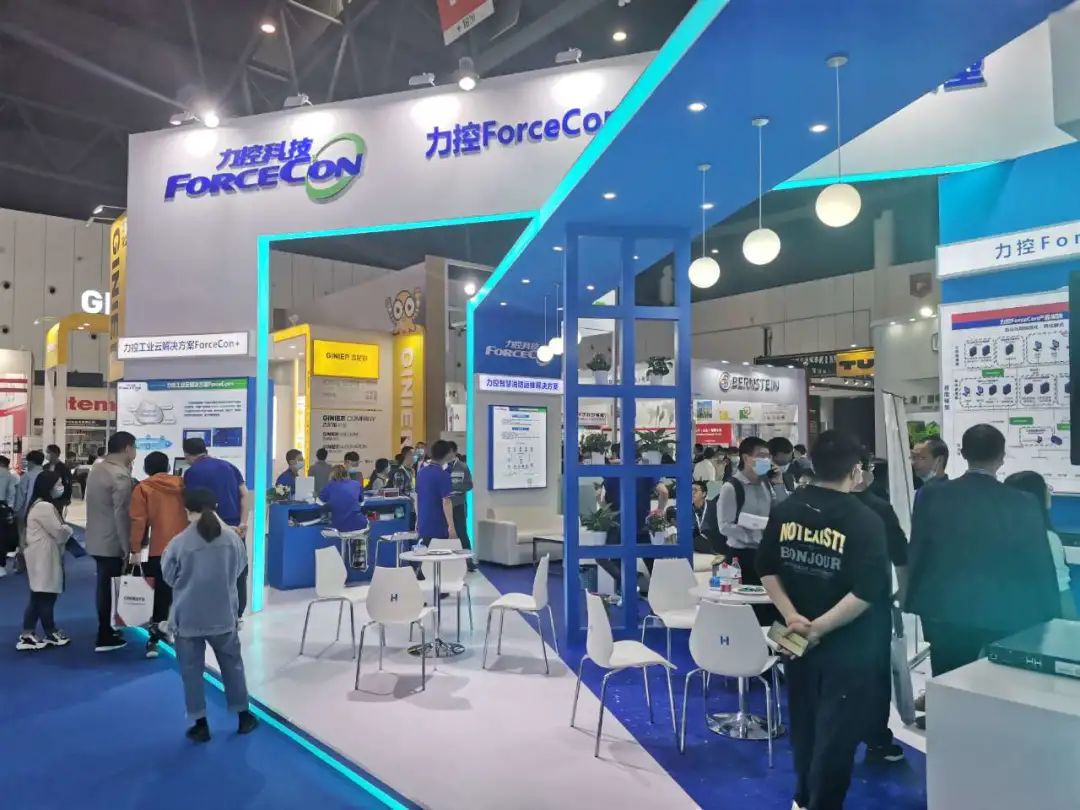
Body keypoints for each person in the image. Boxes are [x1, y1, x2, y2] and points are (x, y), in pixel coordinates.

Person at [758, 430, 891, 810]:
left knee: (804, 725)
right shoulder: (866, 519)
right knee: (836, 736)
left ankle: (802, 798)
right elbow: (868, 590)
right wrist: (818, 628)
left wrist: (792, 617)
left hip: (794, 638)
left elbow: (766, 567)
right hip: (847, 646)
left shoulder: (786, 509)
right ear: (855, 470)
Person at [905, 425, 1059, 682]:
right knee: (1000, 684)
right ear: (1001, 457)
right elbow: (1038, 561)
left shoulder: (932, 495)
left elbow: (919, 549)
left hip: (944, 610)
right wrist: (1050, 612)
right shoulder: (1023, 502)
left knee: (948, 682)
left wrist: (914, 600)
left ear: (963, 453)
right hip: (1004, 612)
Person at [162, 487, 256, 743]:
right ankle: (244, 717)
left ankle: (200, 723)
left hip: (187, 618)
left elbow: (169, 577)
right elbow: (239, 569)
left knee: (191, 672)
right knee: (232, 667)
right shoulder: (233, 539)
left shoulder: (179, 542)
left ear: (186, 510)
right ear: (216, 507)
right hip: (223, 615)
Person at [852, 450, 909, 764]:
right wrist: (904, 592)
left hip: (820, 604)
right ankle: (876, 739)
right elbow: (900, 553)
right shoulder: (877, 508)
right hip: (870, 605)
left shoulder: (812, 505)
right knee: (874, 674)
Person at [182, 437, 252, 618]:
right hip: (237, 529)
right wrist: (243, 522)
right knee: (238, 571)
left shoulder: (192, 472)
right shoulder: (229, 467)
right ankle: (237, 613)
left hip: (211, 529)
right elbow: (245, 495)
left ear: (187, 455)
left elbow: (198, 505)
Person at [129, 451, 188, 659]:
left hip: (159, 549)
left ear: (146, 469)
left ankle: (155, 639)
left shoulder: (143, 488)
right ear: (168, 467)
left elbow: (138, 521)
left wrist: (135, 548)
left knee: (160, 597)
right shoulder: (184, 485)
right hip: (187, 548)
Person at [85, 431, 137, 653]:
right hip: (112, 541)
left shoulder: (98, 468)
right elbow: (121, 514)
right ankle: (104, 635)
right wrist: (127, 547)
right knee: (108, 589)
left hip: (96, 538)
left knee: (103, 586)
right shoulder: (119, 476)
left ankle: (106, 629)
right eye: (134, 448)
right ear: (127, 448)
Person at [1003, 470, 1077, 620]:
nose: (1049, 492)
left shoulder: (998, 533)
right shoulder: (1046, 538)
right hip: (1039, 623)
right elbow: (1061, 591)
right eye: (1045, 487)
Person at [717, 436, 789, 590]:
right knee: (745, 599)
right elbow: (724, 526)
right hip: (741, 556)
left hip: (765, 554)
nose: (766, 460)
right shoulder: (731, 487)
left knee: (768, 600)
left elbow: (783, 510)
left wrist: (779, 483)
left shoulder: (766, 484)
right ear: (745, 458)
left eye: (768, 456)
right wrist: (753, 536)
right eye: (761, 456)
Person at [17, 471, 74, 651]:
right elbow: (59, 532)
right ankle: (50, 631)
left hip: (41, 555)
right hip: (43, 556)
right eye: (58, 483)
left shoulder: (39, 504)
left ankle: (28, 633)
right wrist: (68, 529)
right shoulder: (44, 507)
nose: (61, 487)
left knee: (38, 595)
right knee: (46, 595)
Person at [415, 440, 457, 545]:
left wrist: (417, 520)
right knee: (441, 553)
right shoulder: (444, 475)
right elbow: (446, 501)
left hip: (423, 523)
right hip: (438, 525)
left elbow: (418, 497)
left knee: (426, 553)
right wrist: (451, 527)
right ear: (447, 454)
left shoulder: (421, 473)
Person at [446, 441, 475, 570]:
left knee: (462, 533)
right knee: (445, 533)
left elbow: (469, 485)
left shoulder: (463, 467)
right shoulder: (442, 467)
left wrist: (455, 487)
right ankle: (448, 562)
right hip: (445, 505)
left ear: (453, 452)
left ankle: (468, 561)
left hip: (458, 504)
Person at [320, 465, 368, 533]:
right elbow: (361, 499)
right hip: (360, 525)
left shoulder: (329, 485)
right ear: (346, 473)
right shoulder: (356, 484)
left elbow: (322, 498)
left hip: (339, 527)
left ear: (332, 475)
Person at [690, 480, 724, 555]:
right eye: (690, 490)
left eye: (695, 490)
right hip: (697, 549)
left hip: (716, 545)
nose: (692, 492)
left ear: (704, 494)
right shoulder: (687, 510)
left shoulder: (714, 507)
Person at [0, 455, 17, 577]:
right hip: (2, 506)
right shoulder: (10, 476)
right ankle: (1, 566)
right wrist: (10, 509)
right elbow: (12, 493)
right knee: (2, 535)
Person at [45, 444, 73, 512]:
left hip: (59, 499)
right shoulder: (45, 467)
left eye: (48, 452)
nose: (47, 455)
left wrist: (67, 498)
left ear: (55, 454)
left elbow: (68, 484)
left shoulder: (64, 468)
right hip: (46, 498)